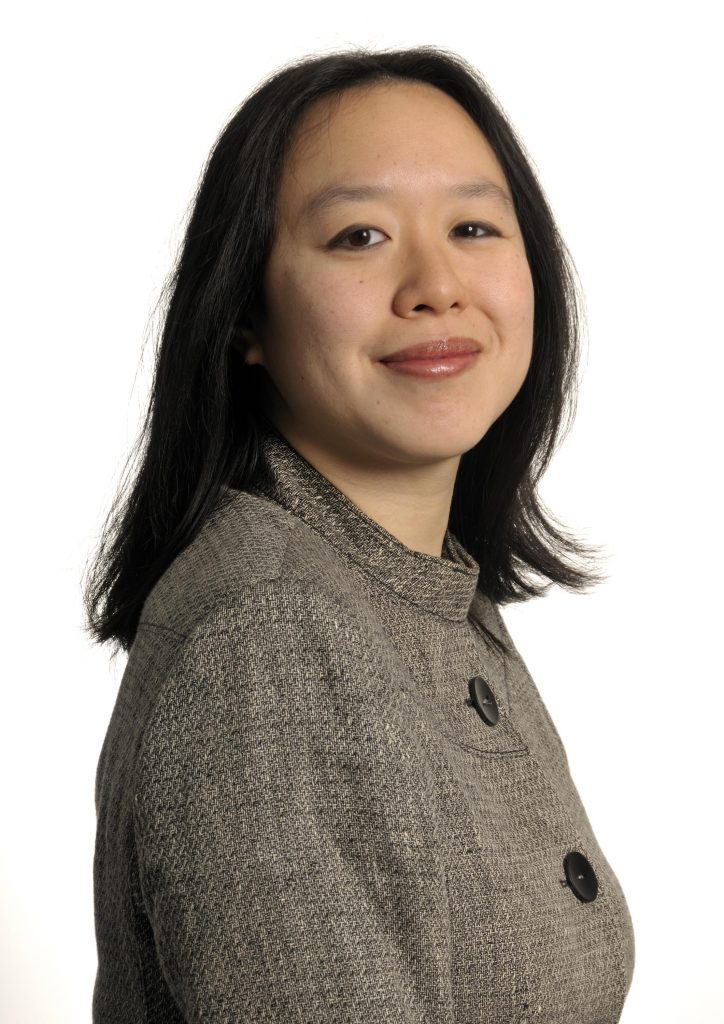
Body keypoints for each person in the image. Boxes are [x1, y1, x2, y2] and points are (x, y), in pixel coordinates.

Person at [84, 45, 635, 1023]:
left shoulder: (422, 595)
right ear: (245, 315)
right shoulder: (269, 638)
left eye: (473, 226)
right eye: (359, 235)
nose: (435, 284)